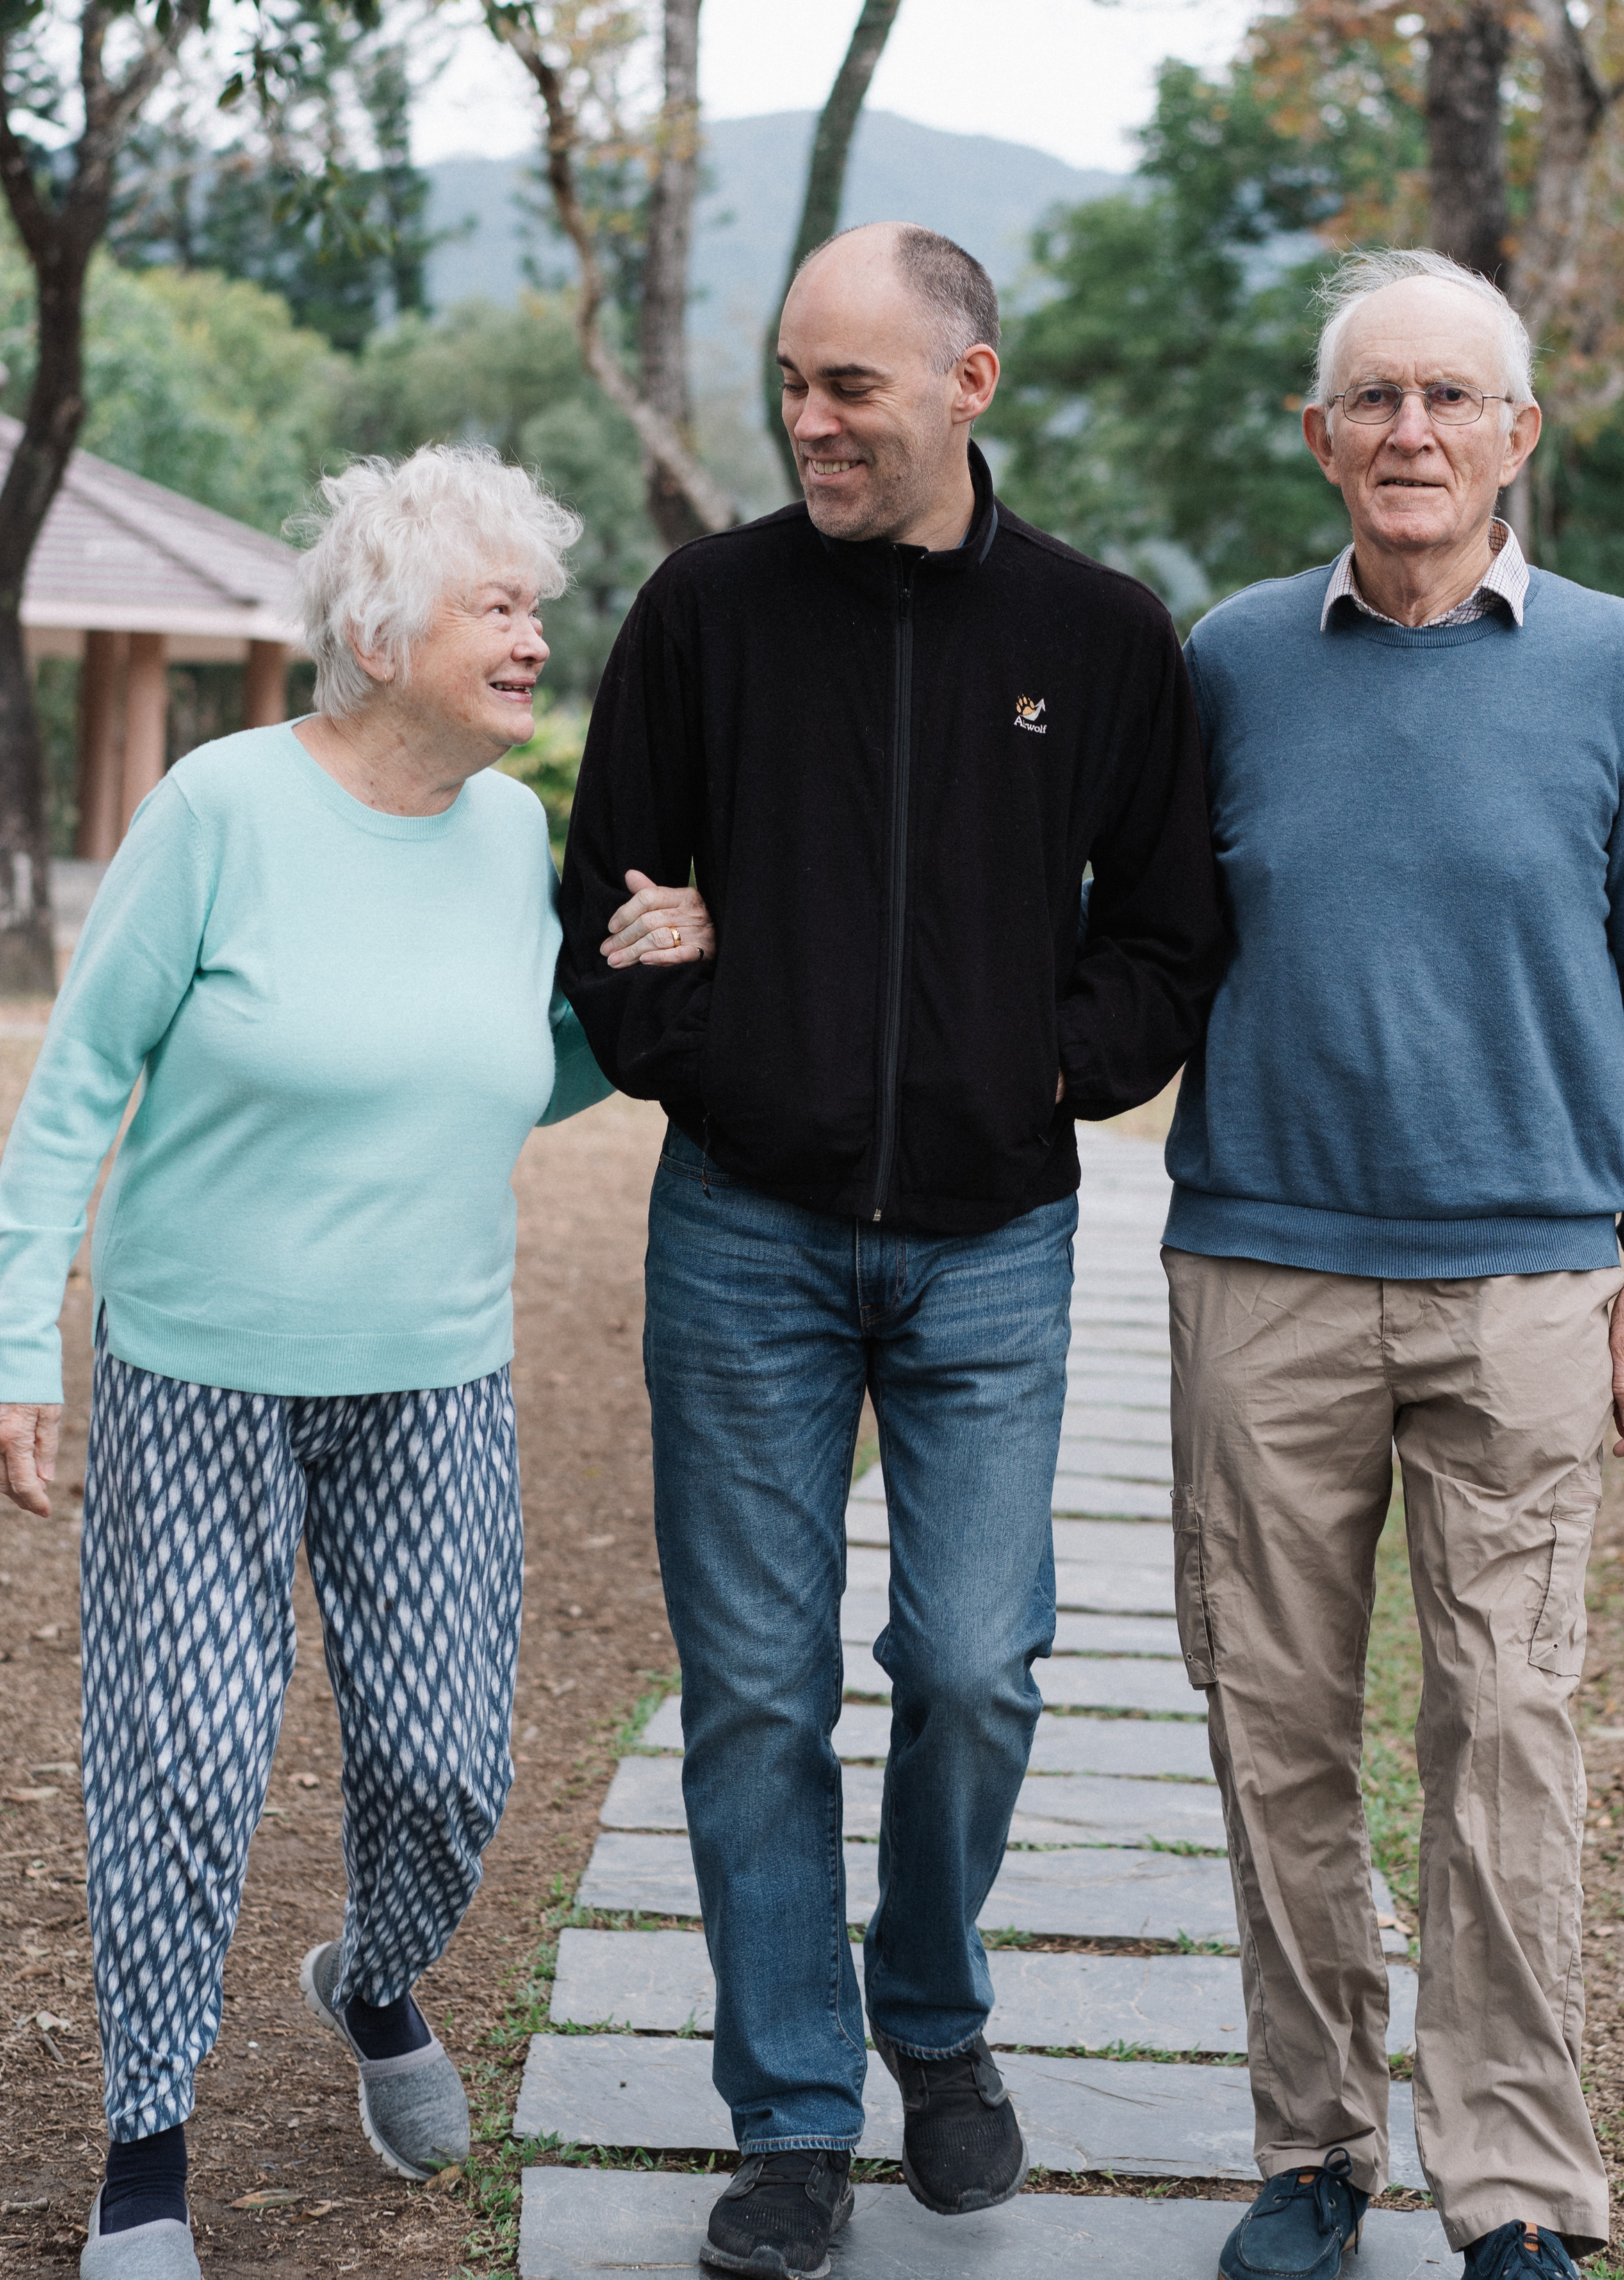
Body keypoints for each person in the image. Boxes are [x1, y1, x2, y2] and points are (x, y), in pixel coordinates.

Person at [559, 220, 1223, 2280]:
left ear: (967, 384)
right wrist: (726, 1051)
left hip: (993, 1241)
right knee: (755, 1692)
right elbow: (611, 901)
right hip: (742, 1231)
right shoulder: (705, 611)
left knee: (971, 1663)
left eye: (848, 384)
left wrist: (1040, 1071)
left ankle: (929, 2007)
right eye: (792, 382)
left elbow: (1170, 935)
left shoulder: (1101, 636)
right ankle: (790, 2117)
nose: (811, 421)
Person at [0, 446, 714, 2280]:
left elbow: (514, 1072)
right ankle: (145, 2154)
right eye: (499, 608)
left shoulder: (508, 837)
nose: (535, 639)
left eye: (537, 608)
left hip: (433, 1375)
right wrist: (15, 1343)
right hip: (199, 1365)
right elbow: (78, 1082)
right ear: (384, 637)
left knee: (447, 1763)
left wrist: (639, 983)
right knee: (182, 1761)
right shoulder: (221, 809)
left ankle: (374, 1979)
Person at [1163, 250, 1624, 2280]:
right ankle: (1313, 2150)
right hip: (1265, 1274)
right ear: (1321, 437)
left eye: (1451, 399)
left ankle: (1512, 2187)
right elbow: (1126, 937)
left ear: (1517, 435)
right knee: (1276, 1730)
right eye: (1376, 400)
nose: (1413, 432)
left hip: (1529, 1289)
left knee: (1506, 1735)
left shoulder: (1619, 665)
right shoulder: (1228, 661)